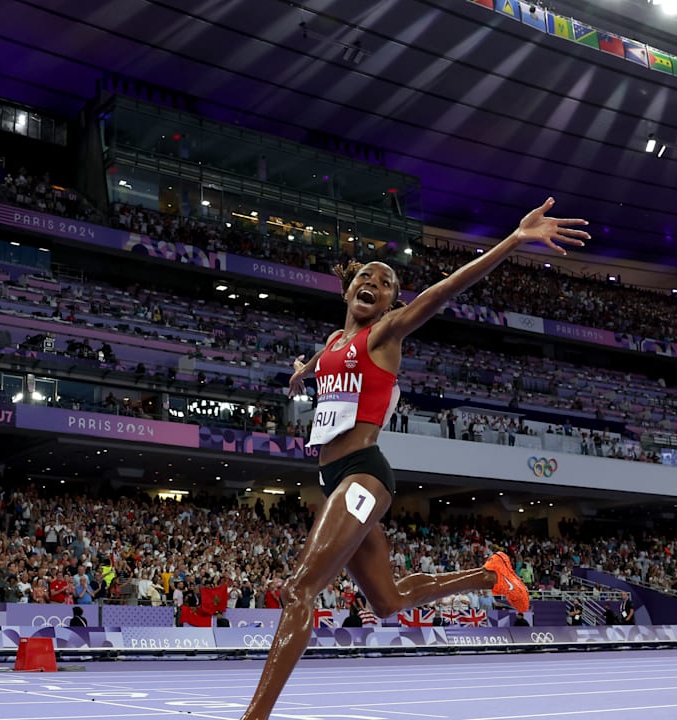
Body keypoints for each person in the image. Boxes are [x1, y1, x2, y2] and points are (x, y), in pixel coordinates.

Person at [239, 198, 588, 720]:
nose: (371, 283)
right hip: (334, 478)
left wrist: (513, 241)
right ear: (348, 287)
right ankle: (490, 576)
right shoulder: (336, 340)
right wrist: (301, 371)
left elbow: (444, 291)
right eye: (364, 276)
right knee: (388, 602)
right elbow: (323, 360)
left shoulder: (385, 334)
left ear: (389, 304)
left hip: (362, 474)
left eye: (382, 283)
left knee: (299, 591)